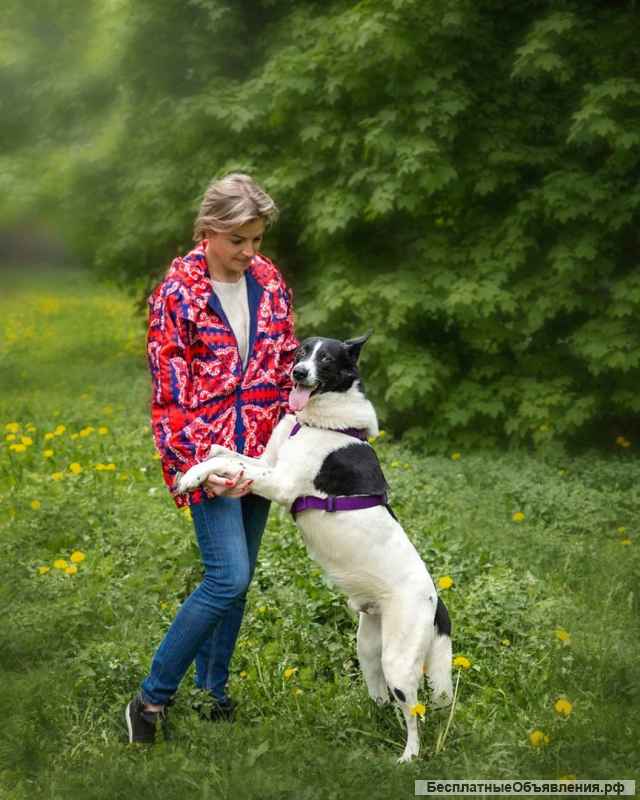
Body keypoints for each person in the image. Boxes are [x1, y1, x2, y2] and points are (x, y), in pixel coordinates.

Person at [125, 173, 298, 744]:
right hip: (207, 455)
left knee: (238, 583)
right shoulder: (178, 294)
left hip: (261, 451)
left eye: (257, 239)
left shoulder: (269, 281)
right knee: (228, 576)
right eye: (238, 240)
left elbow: (284, 365)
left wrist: (283, 446)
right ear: (208, 231)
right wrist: (198, 467)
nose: (250, 252)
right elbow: (169, 395)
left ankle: (212, 692)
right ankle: (150, 700)